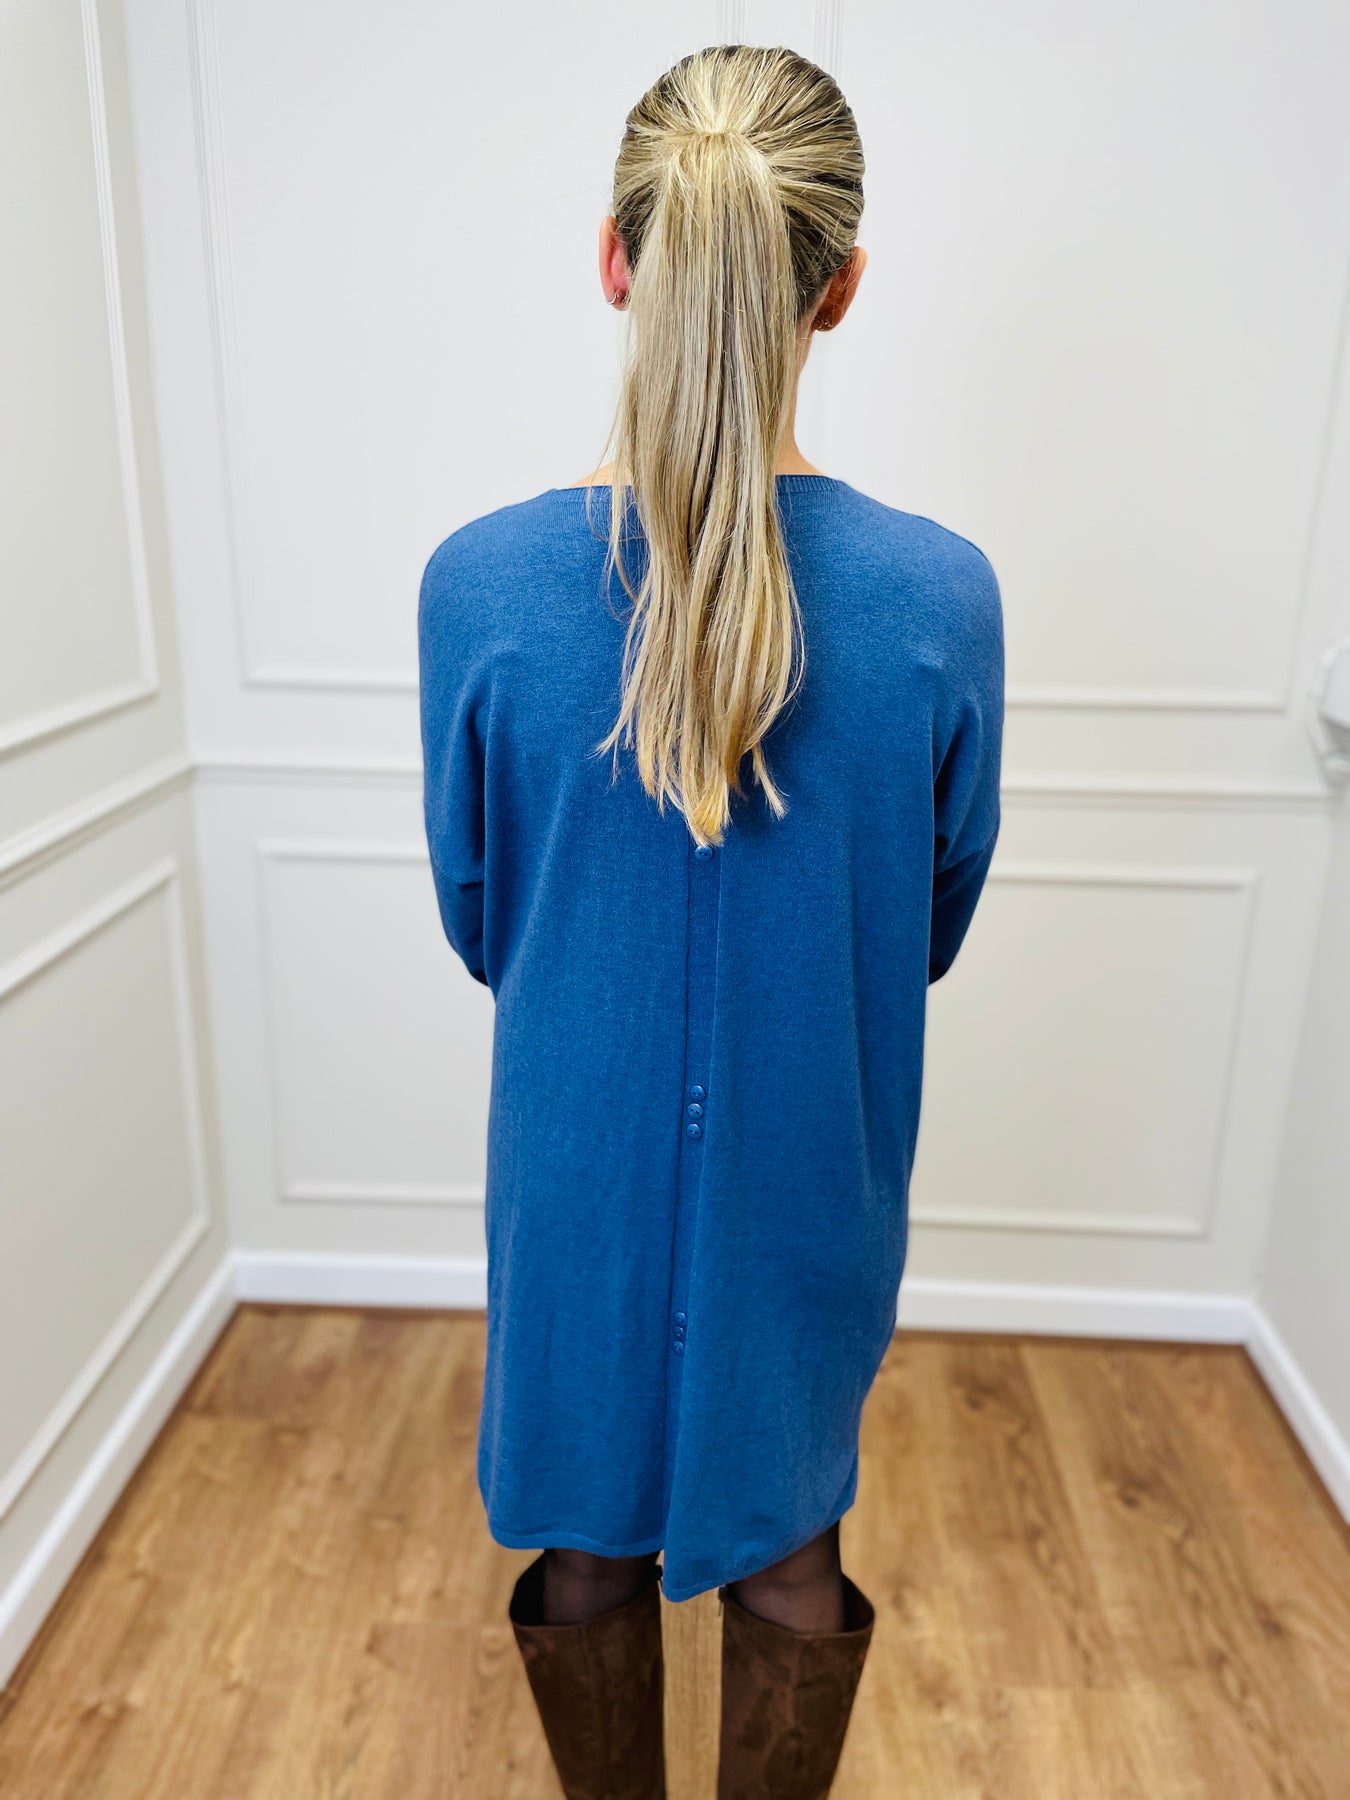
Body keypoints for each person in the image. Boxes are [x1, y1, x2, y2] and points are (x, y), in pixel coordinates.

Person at [418, 41, 1004, 1800]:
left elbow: (478, 911)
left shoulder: (479, 583)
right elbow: (928, 921)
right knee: (789, 1540)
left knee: (585, 1545)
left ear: (617, 259)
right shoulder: (938, 596)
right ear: (839, 286)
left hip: (571, 1166)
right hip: (807, 1163)